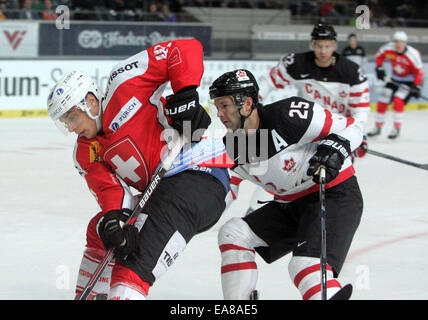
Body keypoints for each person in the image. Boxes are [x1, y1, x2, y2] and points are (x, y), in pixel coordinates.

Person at [47, 39, 230, 300]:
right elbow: (109, 188)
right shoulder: (85, 151)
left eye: (72, 117)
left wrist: (186, 95)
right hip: (164, 191)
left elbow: (185, 48)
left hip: (200, 173)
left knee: (130, 272)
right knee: (99, 230)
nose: (72, 128)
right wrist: (114, 219)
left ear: (90, 102)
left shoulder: (125, 83)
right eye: (65, 122)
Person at [210, 69, 364, 300]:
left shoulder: (290, 115)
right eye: (217, 107)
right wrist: (193, 212)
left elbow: (353, 126)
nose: (220, 114)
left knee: (304, 266)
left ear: (247, 103)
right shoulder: (233, 146)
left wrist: (337, 147)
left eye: (225, 106)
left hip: (333, 195)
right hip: (290, 206)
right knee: (233, 233)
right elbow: (223, 191)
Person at [249, 23, 369, 213]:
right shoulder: (297, 63)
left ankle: (323, 215)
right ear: (312, 44)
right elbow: (268, 81)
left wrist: (357, 135)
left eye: (327, 45)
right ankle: (260, 210)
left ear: (335, 45)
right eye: (319, 45)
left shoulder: (351, 71)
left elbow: (360, 110)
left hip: (337, 131)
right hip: (307, 128)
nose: (323, 50)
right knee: (282, 170)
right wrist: (255, 104)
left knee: (330, 177)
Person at [368, 30, 424, 139]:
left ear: (405, 43)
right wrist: (379, 68)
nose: (398, 44)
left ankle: (396, 128)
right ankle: (377, 127)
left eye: (401, 42)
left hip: (408, 82)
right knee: (383, 100)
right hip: (394, 79)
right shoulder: (388, 48)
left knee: (398, 101)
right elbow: (379, 55)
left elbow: (419, 71)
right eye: (397, 42)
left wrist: (416, 86)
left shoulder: (413, 54)